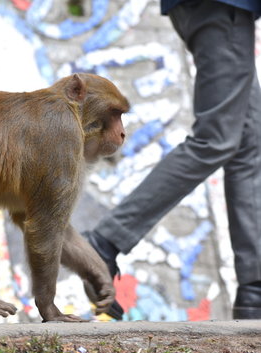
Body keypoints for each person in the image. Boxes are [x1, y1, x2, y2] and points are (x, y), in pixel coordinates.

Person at [84, 0, 261, 320]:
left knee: (248, 143)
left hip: (216, 8)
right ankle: (104, 242)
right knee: (215, 139)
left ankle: (255, 291)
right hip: (223, 6)